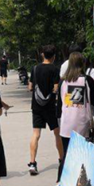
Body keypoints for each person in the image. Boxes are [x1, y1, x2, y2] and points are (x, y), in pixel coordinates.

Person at [57, 52, 94, 159]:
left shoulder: (63, 82)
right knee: (81, 158)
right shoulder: (87, 80)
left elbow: (59, 105)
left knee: (68, 157)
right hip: (82, 125)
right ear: (82, 64)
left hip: (66, 125)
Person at [28, 45, 63, 177]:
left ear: (42, 54)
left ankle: (32, 163)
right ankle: (62, 160)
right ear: (54, 56)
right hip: (50, 107)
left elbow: (30, 87)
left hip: (36, 106)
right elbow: (56, 88)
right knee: (57, 133)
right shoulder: (55, 69)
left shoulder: (35, 68)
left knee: (36, 134)